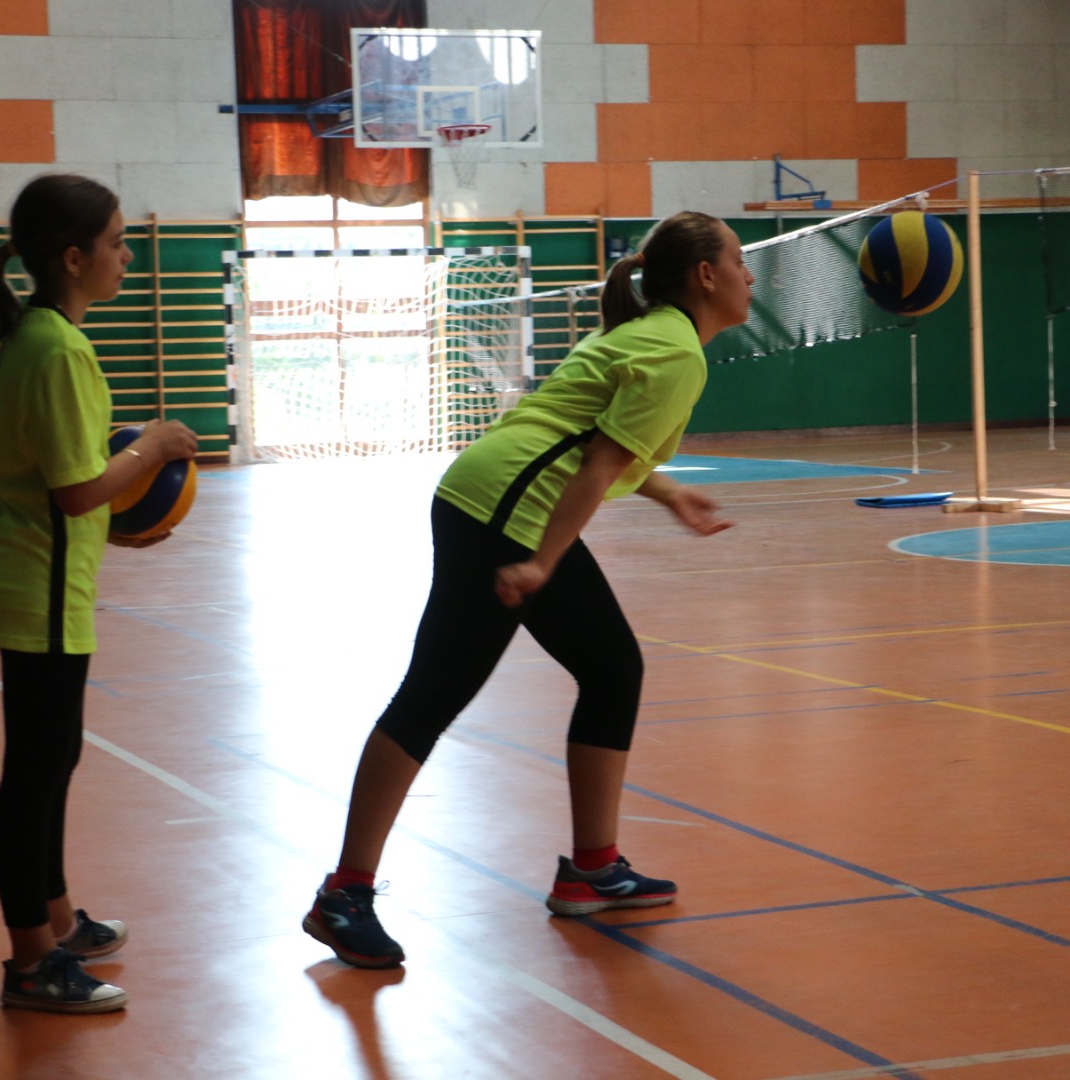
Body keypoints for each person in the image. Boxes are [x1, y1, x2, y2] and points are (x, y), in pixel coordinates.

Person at [303, 210, 752, 968]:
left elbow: (590, 440)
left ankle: (592, 868)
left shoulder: (650, 335)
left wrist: (667, 491)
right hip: (503, 512)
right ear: (706, 277)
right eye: (739, 260)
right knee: (431, 697)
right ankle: (344, 894)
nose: (749, 274)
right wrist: (542, 562)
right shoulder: (676, 352)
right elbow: (596, 466)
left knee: (613, 668)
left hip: (502, 498)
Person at [0, 174, 197, 1013]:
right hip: (38, 589)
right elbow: (72, 491)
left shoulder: (41, 335)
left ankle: (57, 921)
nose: (127, 257)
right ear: (73, 257)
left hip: (44, 581)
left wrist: (124, 514)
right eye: (117, 243)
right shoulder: (57, 348)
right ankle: (32, 963)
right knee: (34, 772)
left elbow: (65, 480)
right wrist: (153, 448)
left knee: (53, 759)